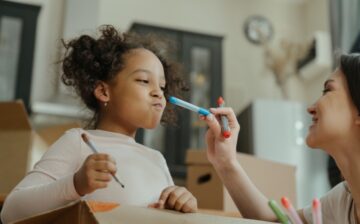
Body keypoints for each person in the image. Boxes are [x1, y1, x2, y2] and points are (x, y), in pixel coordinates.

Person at [1, 25, 197, 223]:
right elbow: (10, 211)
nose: (158, 93)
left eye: (162, 86)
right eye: (144, 80)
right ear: (104, 92)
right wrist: (75, 184)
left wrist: (180, 205)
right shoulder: (78, 142)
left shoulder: (157, 160)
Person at [202, 53, 360, 224]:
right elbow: (276, 222)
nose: (310, 108)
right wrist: (226, 162)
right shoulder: (344, 200)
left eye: (328, 90)